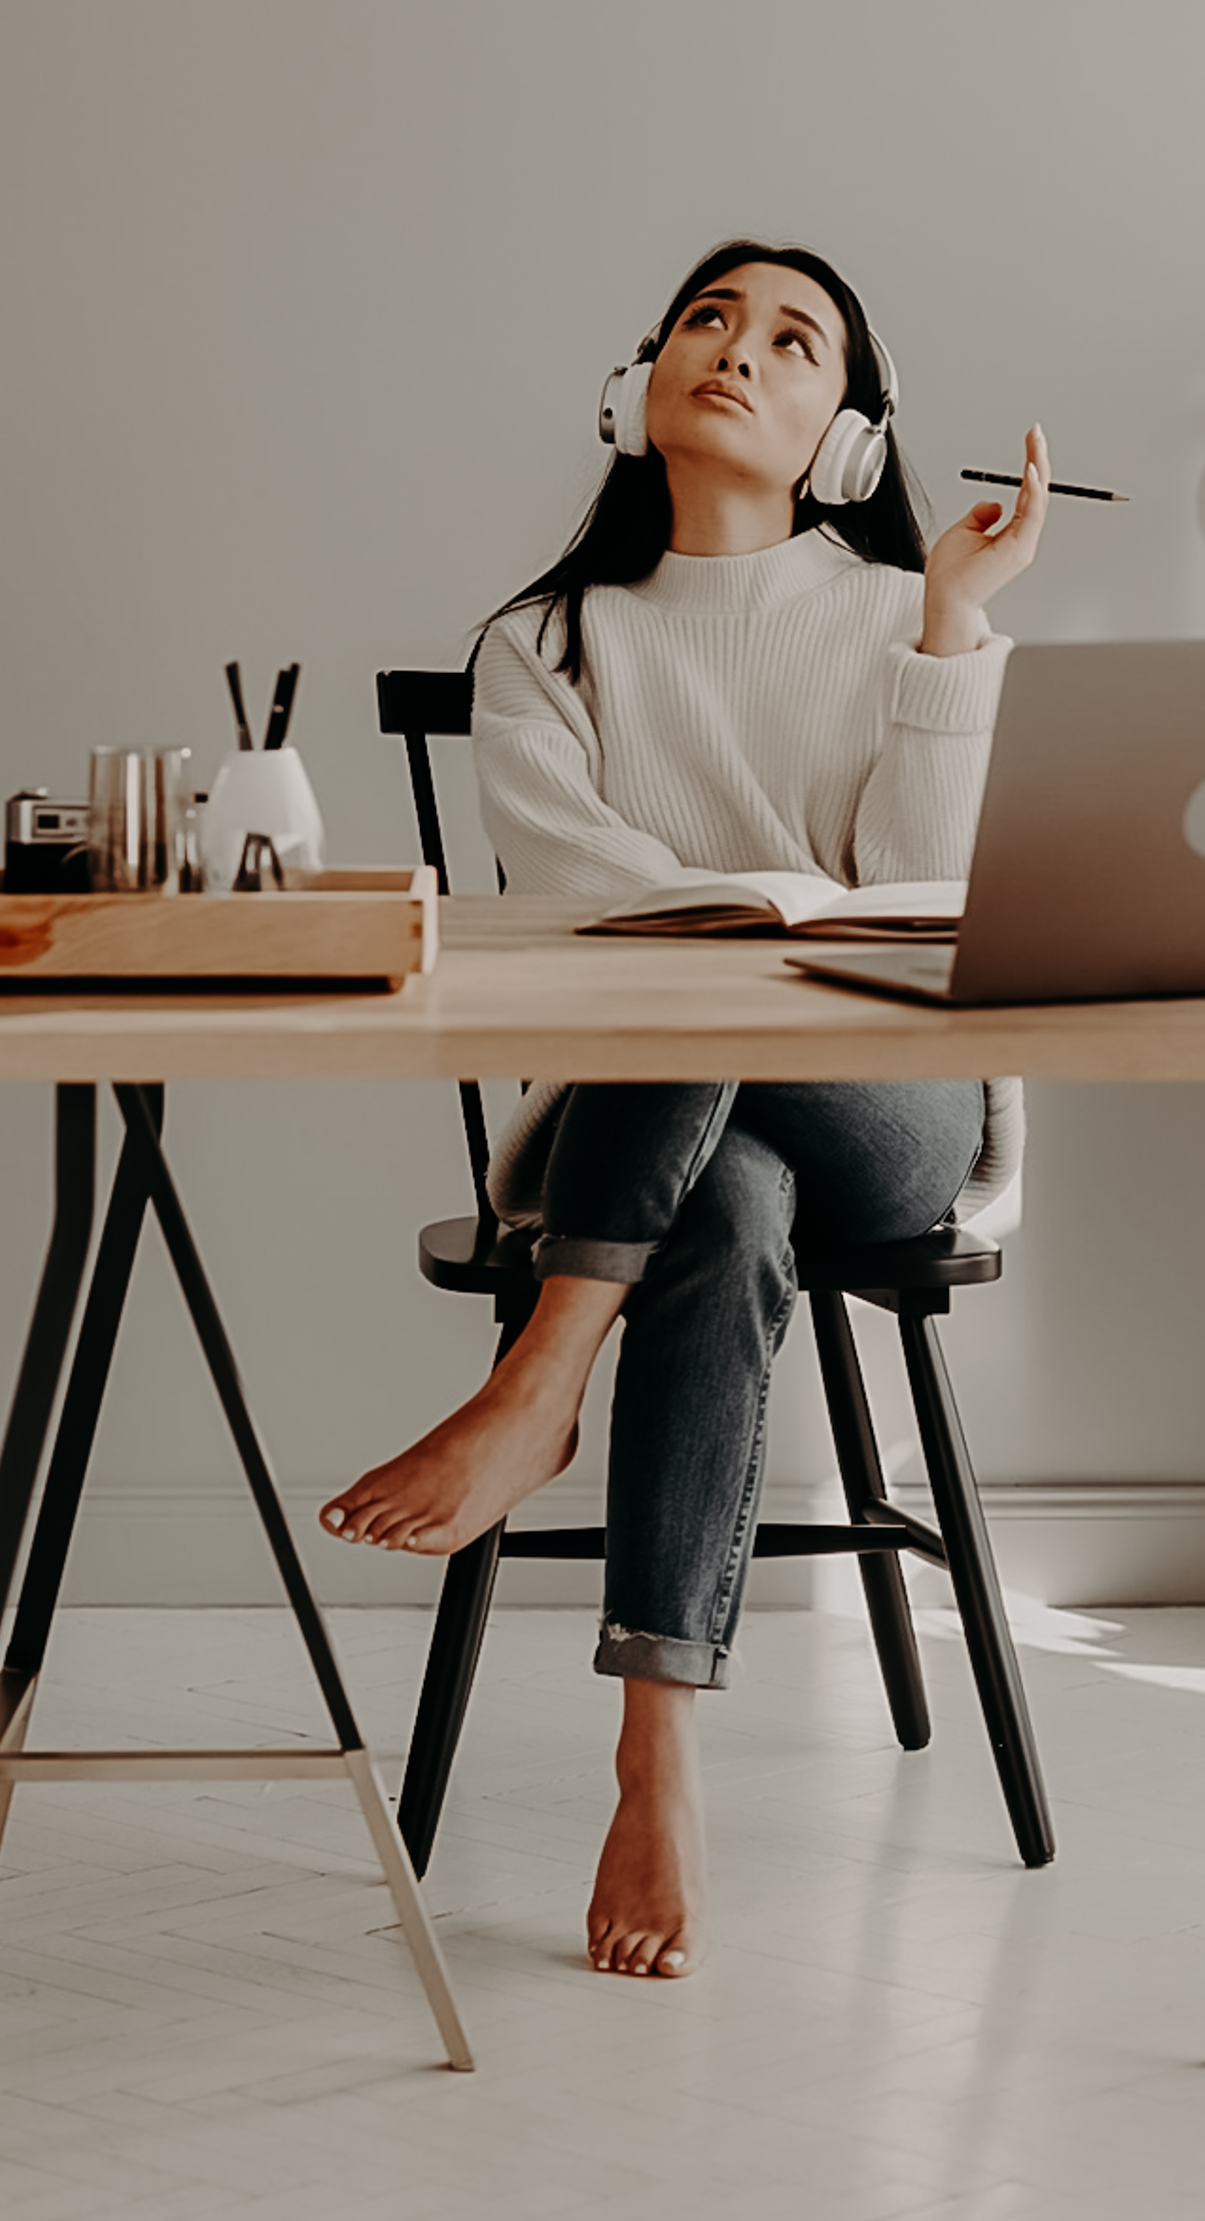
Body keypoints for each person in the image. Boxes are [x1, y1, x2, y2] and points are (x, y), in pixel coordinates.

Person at [320, 239, 1050, 1982]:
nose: (738, 350)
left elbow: (934, 905)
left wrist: (950, 625)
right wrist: (760, 915)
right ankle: (658, 1753)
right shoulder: (550, 642)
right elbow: (599, 926)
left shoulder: (901, 619)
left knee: (708, 1010)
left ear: (846, 442)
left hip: (893, 1110)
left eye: (794, 341)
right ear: (639, 378)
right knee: (718, 1192)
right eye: (710, 319)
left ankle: (536, 1380)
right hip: (658, 1128)